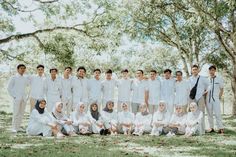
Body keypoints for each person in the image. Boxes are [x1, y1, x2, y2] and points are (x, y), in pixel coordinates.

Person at [7, 64, 29, 133]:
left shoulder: (25, 78)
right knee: (16, 113)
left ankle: (18, 127)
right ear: (18, 69)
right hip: (17, 98)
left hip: (24, 98)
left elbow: (28, 87)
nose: (22, 70)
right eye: (21, 68)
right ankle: (14, 128)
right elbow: (9, 88)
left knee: (21, 113)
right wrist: (14, 96)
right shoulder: (14, 77)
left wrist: (27, 96)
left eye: (24, 68)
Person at [189, 65, 209, 133]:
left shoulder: (202, 78)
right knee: (192, 114)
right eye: (193, 69)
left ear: (198, 70)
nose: (194, 71)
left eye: (196, 69)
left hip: (200, 98)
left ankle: (202, 130)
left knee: (201, 113)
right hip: (192, 98)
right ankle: (193, 129)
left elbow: (209, 85)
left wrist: (205, 92)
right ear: (191, 70)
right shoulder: (189, 79)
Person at [206, 65, 224, 134]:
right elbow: (205, 89)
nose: (211, 71)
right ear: (209, 71)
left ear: (215, 71)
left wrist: (219, 97)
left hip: (216, 99)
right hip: (208, 99)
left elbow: (222, 89)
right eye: (210, 70)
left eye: (213, 70)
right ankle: (211, 127)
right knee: (209, 114)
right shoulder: (206, 79)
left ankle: (220, 128)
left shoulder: (219, 79)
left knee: (217, 114)